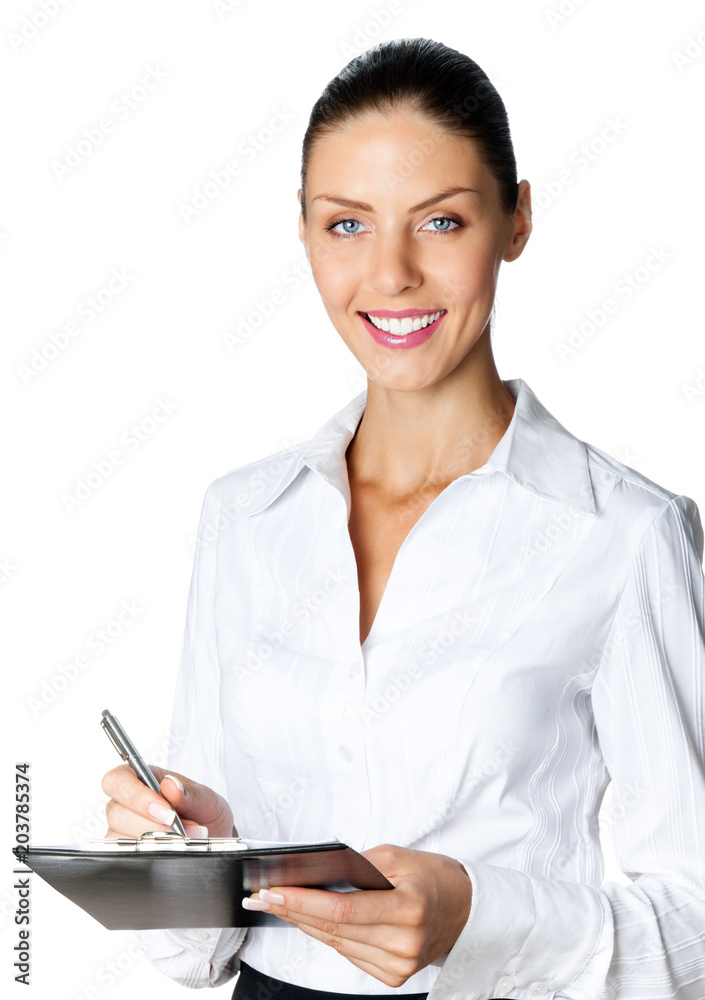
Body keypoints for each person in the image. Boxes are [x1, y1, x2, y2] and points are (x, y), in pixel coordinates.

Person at [101, 37, 705, 999]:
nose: (389, 275)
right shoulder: (245, 518)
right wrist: (187, 856)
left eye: (439, 222)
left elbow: (695, 926)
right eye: (347, 225)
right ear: (303, 235)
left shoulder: (625, 534)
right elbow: (192, 958)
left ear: (515, 221)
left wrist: (477, 917)